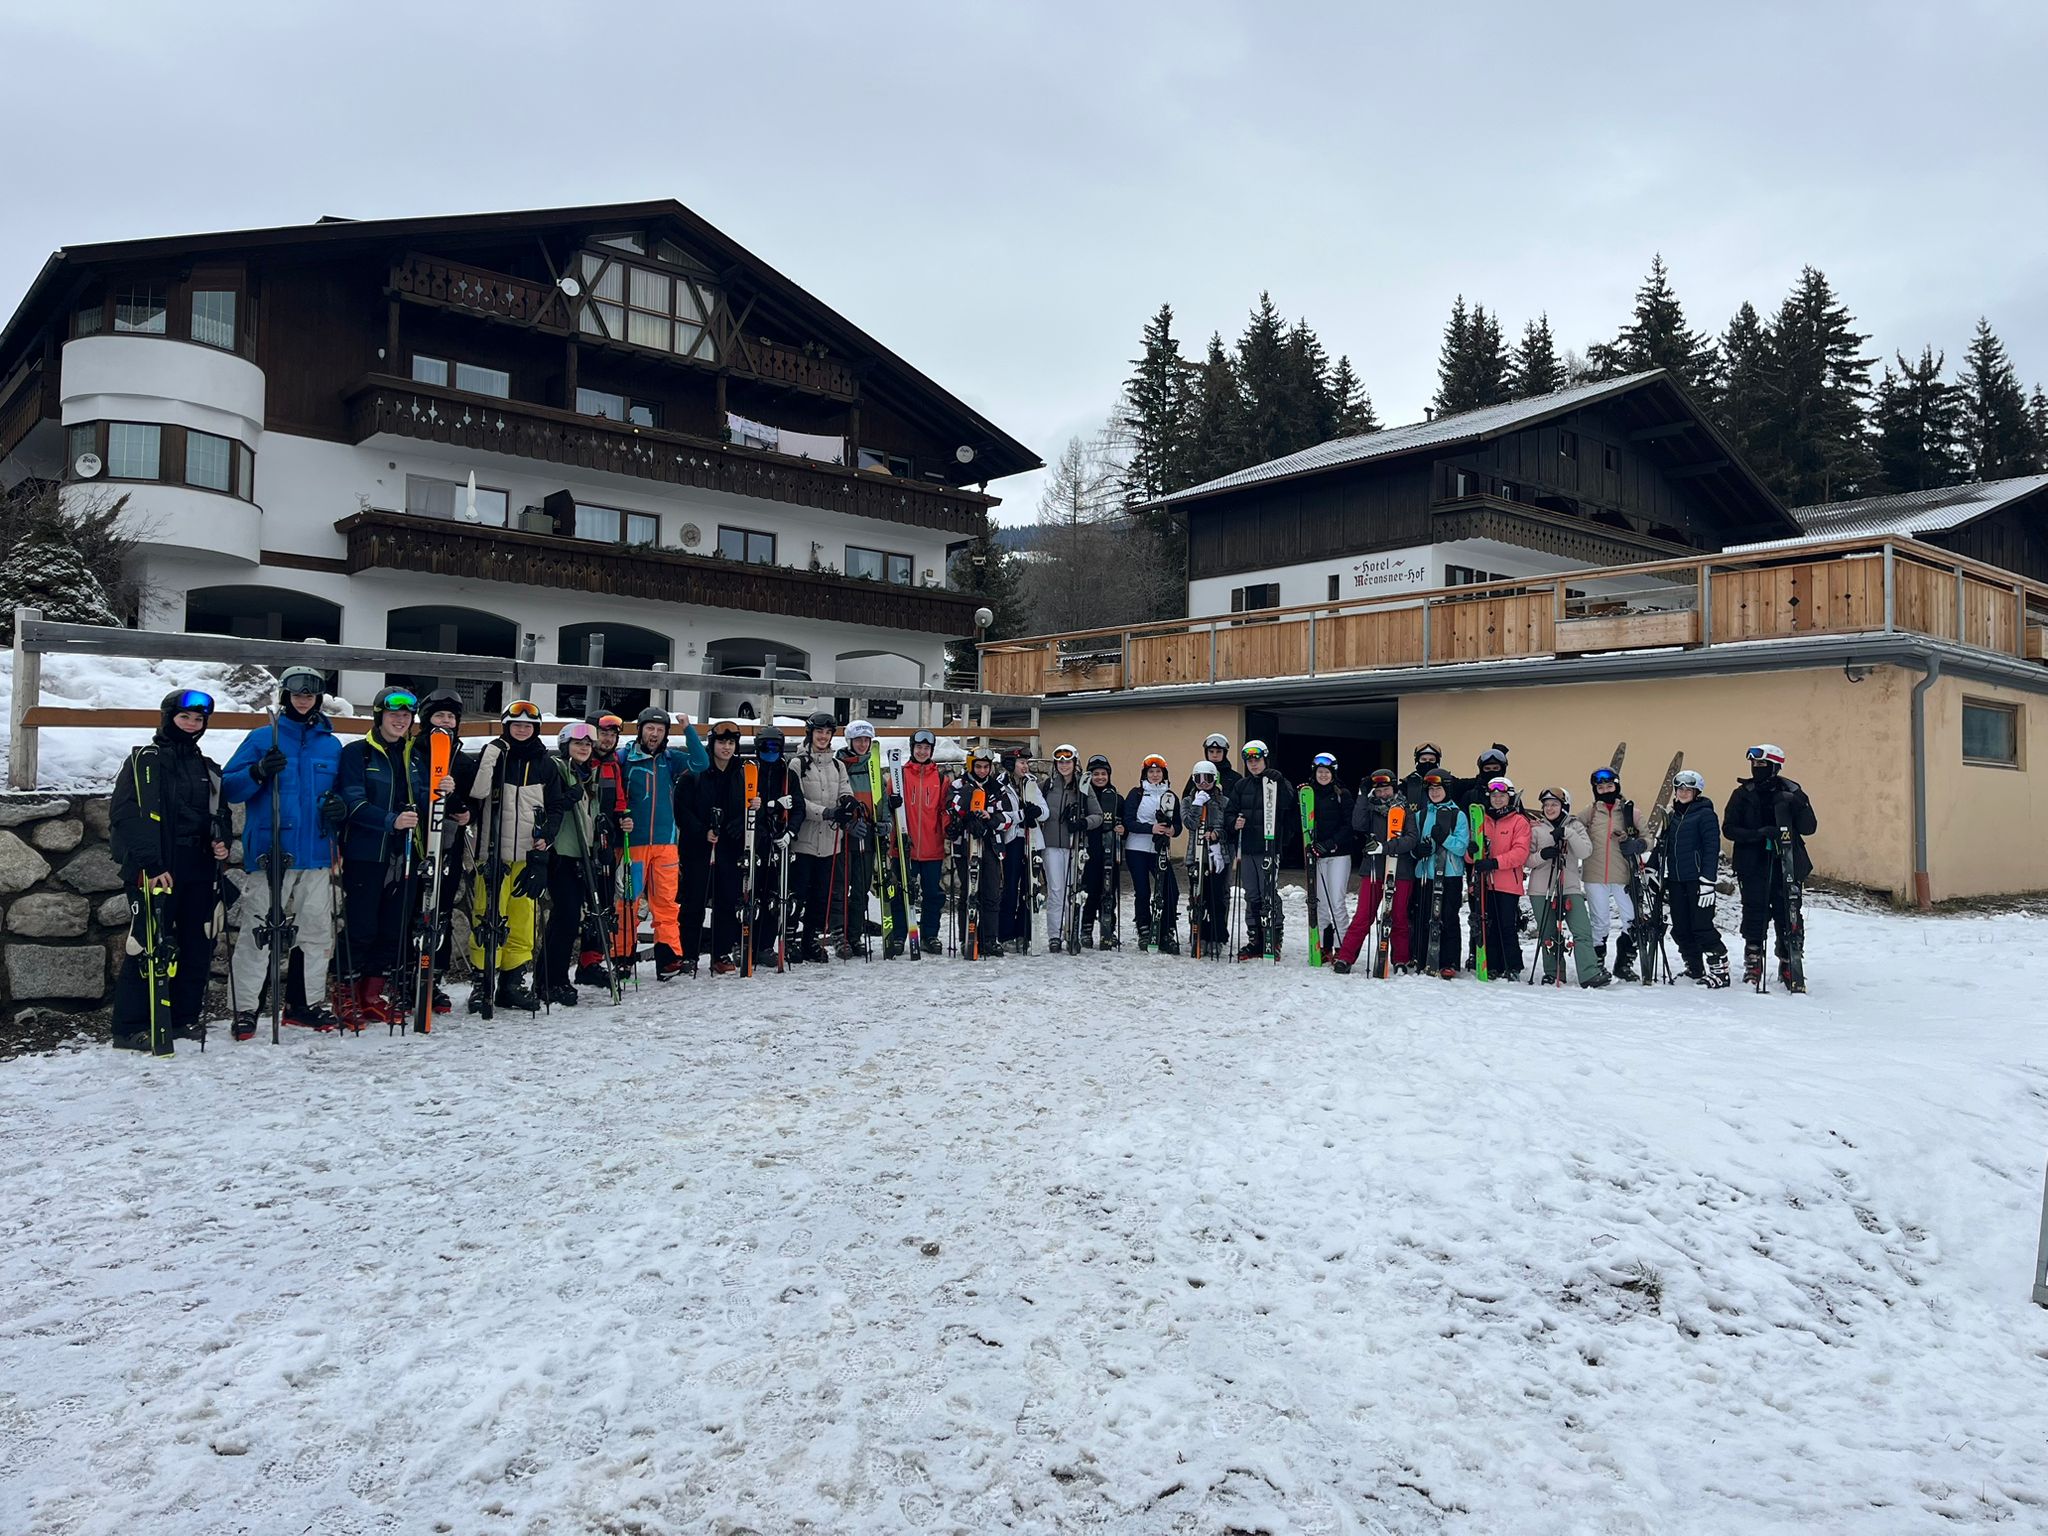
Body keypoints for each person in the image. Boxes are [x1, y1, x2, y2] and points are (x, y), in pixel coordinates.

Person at [108, 689, 234, 1052]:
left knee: (198, 943)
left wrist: (222, 841)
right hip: (158, 868)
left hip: (198, 868)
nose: (192, 724)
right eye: (185, 717)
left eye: (198, 719)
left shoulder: (207, 767)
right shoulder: (144, 762)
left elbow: (220, 814)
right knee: (147, 945)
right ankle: (130, 1027)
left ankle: (182, 1017)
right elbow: (125, 815)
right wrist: (152, 864)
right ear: (168, 718)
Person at [224, 664, 344, 1037]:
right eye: (297, 694)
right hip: (271, 850)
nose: (304, 700)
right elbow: (229, 788)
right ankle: (245, 1008)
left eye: (310, 695)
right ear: (285, 696)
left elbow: (340, 791)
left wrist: (337, 809)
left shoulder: (330, 744)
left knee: (316, 931)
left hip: (316, 851)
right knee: (259, 930)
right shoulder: (264, 737)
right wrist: (258, 772)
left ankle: (305, 1004)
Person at [335, 686, 432, 1025]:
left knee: (393, 928)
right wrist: (391, 821)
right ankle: (345, 994)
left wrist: (442, 793)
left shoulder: (415, 756)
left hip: (406, 853)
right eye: (393, 714)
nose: (400, 720)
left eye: (406, 715)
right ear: (379, 717)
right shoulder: (358, 753)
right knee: (361, 927)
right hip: (367, 853)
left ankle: (373, 995)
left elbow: (424, 798)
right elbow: (352, 802)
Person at [465, 700, 565, 1012]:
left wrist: (547, 836)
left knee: (522, 921)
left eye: (528, 726)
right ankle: (482, 983)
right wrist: (491, 755)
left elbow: (556, 806)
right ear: (506, 727)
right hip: (492, 853)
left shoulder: (545, 763)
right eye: (516, 725)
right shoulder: (495, 755)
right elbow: (477, 793)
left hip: (527, 855)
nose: (522, 730)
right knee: (487, 918)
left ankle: (513, 982)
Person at [620, 706, 707, 979]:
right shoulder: (625, 757)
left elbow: (702, 762)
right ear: (640, 730)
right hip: (632, 844)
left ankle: (668, 958)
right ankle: (622, 956)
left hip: (666, 845)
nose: (654, 734)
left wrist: (688, 728)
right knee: (627, 904)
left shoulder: (670, 759)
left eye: (660, 730)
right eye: (650, 728)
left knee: (666, 904)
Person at [536, 721, 619, 1005]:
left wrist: (602, 841)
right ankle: (551, 980)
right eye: (577, 744)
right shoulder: (558, 769)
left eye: (587, 744)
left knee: (575, 918)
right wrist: (564, 798)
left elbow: (591, 814)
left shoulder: (589, 775)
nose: (584, 748)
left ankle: (555, 977)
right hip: (562, 852)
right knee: (567, 916)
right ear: (565, 745)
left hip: (584, 854)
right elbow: (549, 803)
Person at [1722, 743, 1816, 989]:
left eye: (1762, 764)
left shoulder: (1791, 791)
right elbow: (1729, 829)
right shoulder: (1743, 793)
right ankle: (1753, 961)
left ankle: (1789, 960)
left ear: (1774, 766)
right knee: (1755, 912)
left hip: (1787, 863)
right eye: (1754, 764)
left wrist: (1797, 804)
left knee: (1788, 913)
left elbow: (1809, 827)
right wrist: (1757, 834)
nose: (1756, 768)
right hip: (1753, 864)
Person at [414, 689, 476, 1014]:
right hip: (415, 843)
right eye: (440, 715)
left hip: (449, 845)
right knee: (414, 909)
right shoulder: (412, 753)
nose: (446, 721)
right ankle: (403, 976)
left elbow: (474, 805)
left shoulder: (463, 761)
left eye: (451, 717)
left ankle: (433, 978)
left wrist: (466, 813)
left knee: (441, 912)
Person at [676, 720, 752, 974]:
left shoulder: (741, 773)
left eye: (731, 743)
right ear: (712, 744)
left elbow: (751, 805)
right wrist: (702, 831)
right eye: (722, 742)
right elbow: (682, 811)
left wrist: (740, 822)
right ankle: (689, 954)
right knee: (694, 901)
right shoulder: (695, 772)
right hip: (698, 847)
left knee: (726, 900)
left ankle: (721, 952)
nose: (726, 748)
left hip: (729, 847)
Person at [1524, 788, 1612, 988]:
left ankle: (1589, 973)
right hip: (1541, 889)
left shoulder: (1575, 825)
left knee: (1582, 930)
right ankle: (1553, 972)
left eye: (1554, 804)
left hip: (1569, 887)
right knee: (1548, 933)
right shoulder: (1536, 828)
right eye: (1546, 805)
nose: (1549, 808)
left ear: (1564, 806)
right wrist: (1543, 855)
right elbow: (1527, 860)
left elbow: (1585, 851)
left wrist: (1568, 834)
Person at [835, 720, 906, 956]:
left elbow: (882, 798)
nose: (863, 744)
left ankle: (854, 936)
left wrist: (885, 822)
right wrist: (847, 822)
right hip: (845, 835)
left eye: (866, 740)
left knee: (861, 888)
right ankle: (840, 935)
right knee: (841, 888)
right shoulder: (839, 765)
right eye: (858, 740)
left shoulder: (873, 766)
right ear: (850, 741)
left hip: (868, 833)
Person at [1660, 769, 1732, 987]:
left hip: (1698, 881)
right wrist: (1654, 869)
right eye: (1679, 789)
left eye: (1688, 789)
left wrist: (1708, 881)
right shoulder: (1673, 816)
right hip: (1676, 879)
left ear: (1696, 792)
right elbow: (1663, 845)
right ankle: (1694, 966)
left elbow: (1711, 848)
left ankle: (1720, 971)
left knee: (1701, 926)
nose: (1683, 793)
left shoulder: (1705, 815)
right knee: (1681, 927)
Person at [1222, 740, 1294, 960]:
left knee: (1268, 892)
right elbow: (1229, 812)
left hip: (1268, 848)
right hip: (1247, 847)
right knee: (1251, 893)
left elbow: (1289, 806)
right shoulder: (1241, 785)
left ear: (1265, 760)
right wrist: (1234, 822)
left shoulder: (1277, 782)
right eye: (1249, 761)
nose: (1253, 764)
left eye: (1257, 760)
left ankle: (1274, 936)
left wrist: (1279, 782)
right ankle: (1255, 939)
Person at [790, 712, 852, 962]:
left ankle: (811, 940)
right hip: (804, 841)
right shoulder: (797, 764)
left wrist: (847, 802)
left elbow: (844, 788)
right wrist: (825, 812)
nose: (823, 737)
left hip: (829, 842)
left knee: (821, 895)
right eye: (819, 732)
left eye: (827, 733)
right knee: (798, 894)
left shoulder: (838, 765)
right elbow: (797, 801)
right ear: (810, 733)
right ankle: (790, 939)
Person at [578, 712, 634, 985]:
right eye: (603, 734)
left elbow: (620, 800)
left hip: (606, 842)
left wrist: (623, 818)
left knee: (604, 904)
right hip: (580, 841)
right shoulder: (581, 762)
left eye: (612, 735)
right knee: (581, 906)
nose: (608, 740)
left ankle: (591, 961)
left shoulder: (613, 765)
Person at [744, 724, 806, 968]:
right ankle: (744, 943)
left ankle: (765, 945)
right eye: (765, 746)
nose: (770, 751)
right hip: (754, 840)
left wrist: (790, 832)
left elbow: (798, 807)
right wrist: (772, 805)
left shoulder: (787, 775)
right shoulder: (749, 771)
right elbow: (746, 806)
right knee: (751, 892)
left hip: (779, 841)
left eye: (775, 747)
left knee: (775, 894)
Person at [1330, 768, 1404, 974]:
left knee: (1397, 916)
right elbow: (1357, 823)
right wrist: (1363, 795)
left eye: (1387, 789)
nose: (1383, 794)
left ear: (1394, 789)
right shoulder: (1370, 809)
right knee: (1363, 916)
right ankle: (1346, 957)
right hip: (1373, 869)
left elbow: (1411, 838)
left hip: (1399, 870)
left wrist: (1385, 847)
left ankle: (1401, 959)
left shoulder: (1404, 808)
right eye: (1378, 790)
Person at [1400, 771, 1469, 979]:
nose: (1434, 792)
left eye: (1438, 788)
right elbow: (1412, 842)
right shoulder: (1421, 815)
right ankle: (1421, 956)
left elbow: (1461, 847)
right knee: (1422, 915)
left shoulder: (1458, 815)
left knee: (1448, 917)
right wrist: (1417, 851)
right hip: (1425, 874)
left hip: (1450, 874)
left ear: (1446, 789)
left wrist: (1445, 838)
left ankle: (1449, 961)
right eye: (1431, 789)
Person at [946, 747, 1010, 957]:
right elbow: (951, 808)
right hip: (966, 845)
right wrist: (966, 818)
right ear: (971, 766)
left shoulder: (998, 788)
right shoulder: (959, 785)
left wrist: (990, 820)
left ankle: (989, 939)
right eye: (979, 767)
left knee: (991, 893)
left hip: (990, 845)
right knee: (969, 892)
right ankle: (967, 937)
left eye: (986, 767)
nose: (982, 771)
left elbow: (1007, 817)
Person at [1581, 765, 1644, 980]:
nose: (1605, 790)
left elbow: (1648, 838)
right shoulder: (1589, 812)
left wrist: (1636, 844)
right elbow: (1573, 828)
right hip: (1594, 874)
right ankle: (1597, 963)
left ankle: (1624, 964)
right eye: (1600, 788)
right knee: (1600, 921)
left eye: (1609, 786)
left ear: (1616, 786)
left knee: (1632, 919)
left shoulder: (1630, 812)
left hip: (1623, 874)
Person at [1122, 754, 1183, 951]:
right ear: (1145, 774)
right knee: (1143, 891)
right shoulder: (1137, 794)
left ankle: (1166, 928)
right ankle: (1144, 928)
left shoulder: (1170, 796)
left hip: (1159, 850)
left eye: (1158, 772)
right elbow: (1128, 821)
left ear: (1164, 774)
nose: (1155, 775)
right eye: (1151, 772)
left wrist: (1172, 830)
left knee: (1170, 890)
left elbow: (1178, 824)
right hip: (1137, 848)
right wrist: (1151, 829)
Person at [1472, 776, 1530, 980]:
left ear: (1510, 797)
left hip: (1508, 883)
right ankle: (1493, 964)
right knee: (1488, 925)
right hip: (1485, 883)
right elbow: (1472, 857)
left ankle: (1512, 965)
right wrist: (1471, 852)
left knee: (1506, 925)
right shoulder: (1483, 820)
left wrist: (1495, 863)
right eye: (1494, 795)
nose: (1497, 799)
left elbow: (1520, 853)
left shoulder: (1519, 821)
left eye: (1502, 795)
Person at [899, 728, 951, 953]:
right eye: (919, 747)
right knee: (903, 893)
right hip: (905, 848)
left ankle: (930, 935)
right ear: (912, 748)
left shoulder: (940, 778)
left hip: (932, 847)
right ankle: (899, 936)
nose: (922, 751)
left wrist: (949, 828)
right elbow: (890, 809)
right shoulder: (900, 775)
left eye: (926, 748)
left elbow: (944, 810)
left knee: (932, 895)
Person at [1303, 752, 1354, 960]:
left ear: (1333, 774)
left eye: (1327, 772)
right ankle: (1325, 946)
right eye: (1320, 772)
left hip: (1338, 854)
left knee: (1337, 902)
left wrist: (1330, 843)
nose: (1323, 775)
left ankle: (1343, 948)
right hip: (1317, 855)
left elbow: (1349, 825)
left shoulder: (1343, 794)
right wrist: (1301, 799)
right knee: (1321, 903)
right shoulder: (1309, 793)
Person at [1040, 744, 1087, 951]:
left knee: (1073, 890)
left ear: (1075, 763)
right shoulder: (1047, 785)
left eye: (1068, 761)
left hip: (1073, 844)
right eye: (1060, 762)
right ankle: (1054, 935)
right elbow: (1037, 808)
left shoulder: (1083, 787)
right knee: (1056, 890)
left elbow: (1096, 815)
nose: (1064, 765)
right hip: (1051, 844)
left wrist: (1082, 822)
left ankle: (1072, 931)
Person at [998, 747, 1045, 951]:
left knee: (1029, 887)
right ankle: (1006, 933)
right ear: (1010, 764)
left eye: (1027, 763)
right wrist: (1021, 815)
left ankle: (1023, 931)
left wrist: (1036, 811)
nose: (1026, 767)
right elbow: (1001, 815)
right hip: (1012, 840)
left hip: (1032, 839)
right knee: (1010, 887)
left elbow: (1045, 811)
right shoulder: (1000, 785)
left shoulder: (1031, 783)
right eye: (1022, 763)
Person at [1182, 759, 1231, 957]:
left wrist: (1217, 834)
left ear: (1215, 779)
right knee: (1197, 898)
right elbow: (1189, 824)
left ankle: (1216, 936)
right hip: (1196, 856)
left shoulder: (1223, 802)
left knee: (1216, 899)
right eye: (1199, 778)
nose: (1203, 783)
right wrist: (1197, 804)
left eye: (1208, 778)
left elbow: (1229, 829)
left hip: (1217, 856)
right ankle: (1198, 934)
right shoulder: (1188, 801)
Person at [1075, 753, 1123, 948]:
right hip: (1091, 851)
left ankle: (1108, 927)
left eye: (1103, 774)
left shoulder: (1116, 798)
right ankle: (1086, 928)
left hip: (1111, 851)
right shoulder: (1083, 798)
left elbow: (1125, 822)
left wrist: (1123, 829)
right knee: (1091, 890)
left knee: (1110, 890)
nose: (1100, 777)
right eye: (1096, 774)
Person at [1184, 732, 1241, 803]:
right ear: (1206, 752)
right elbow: (1186, 799)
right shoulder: (1198, 774)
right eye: (1211, 751)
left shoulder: (1235, 777)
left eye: (1219, 752)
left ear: (1224, 753)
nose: (1215, 755)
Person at [1399, 743, 1446, 807]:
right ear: (1417, 761)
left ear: (1437, 762)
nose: (1427, 762)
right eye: (1423, 760)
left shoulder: (1447, 782)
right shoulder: (1406, 785)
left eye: (1431, 760)